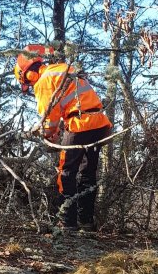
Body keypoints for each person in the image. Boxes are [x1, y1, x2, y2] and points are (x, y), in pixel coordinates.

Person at [14, 45, 112, 231]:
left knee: (66, 172)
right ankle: (86, 222)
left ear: (28, 75)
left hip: (79, 124)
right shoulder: (60, 68)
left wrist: (46, 134)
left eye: (27, 83)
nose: (30, 86)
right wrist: (59, 127)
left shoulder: (43, 81)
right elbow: (69, 102)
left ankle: (67, 223)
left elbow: (48, 118)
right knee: (87, 174)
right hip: (98, 122)